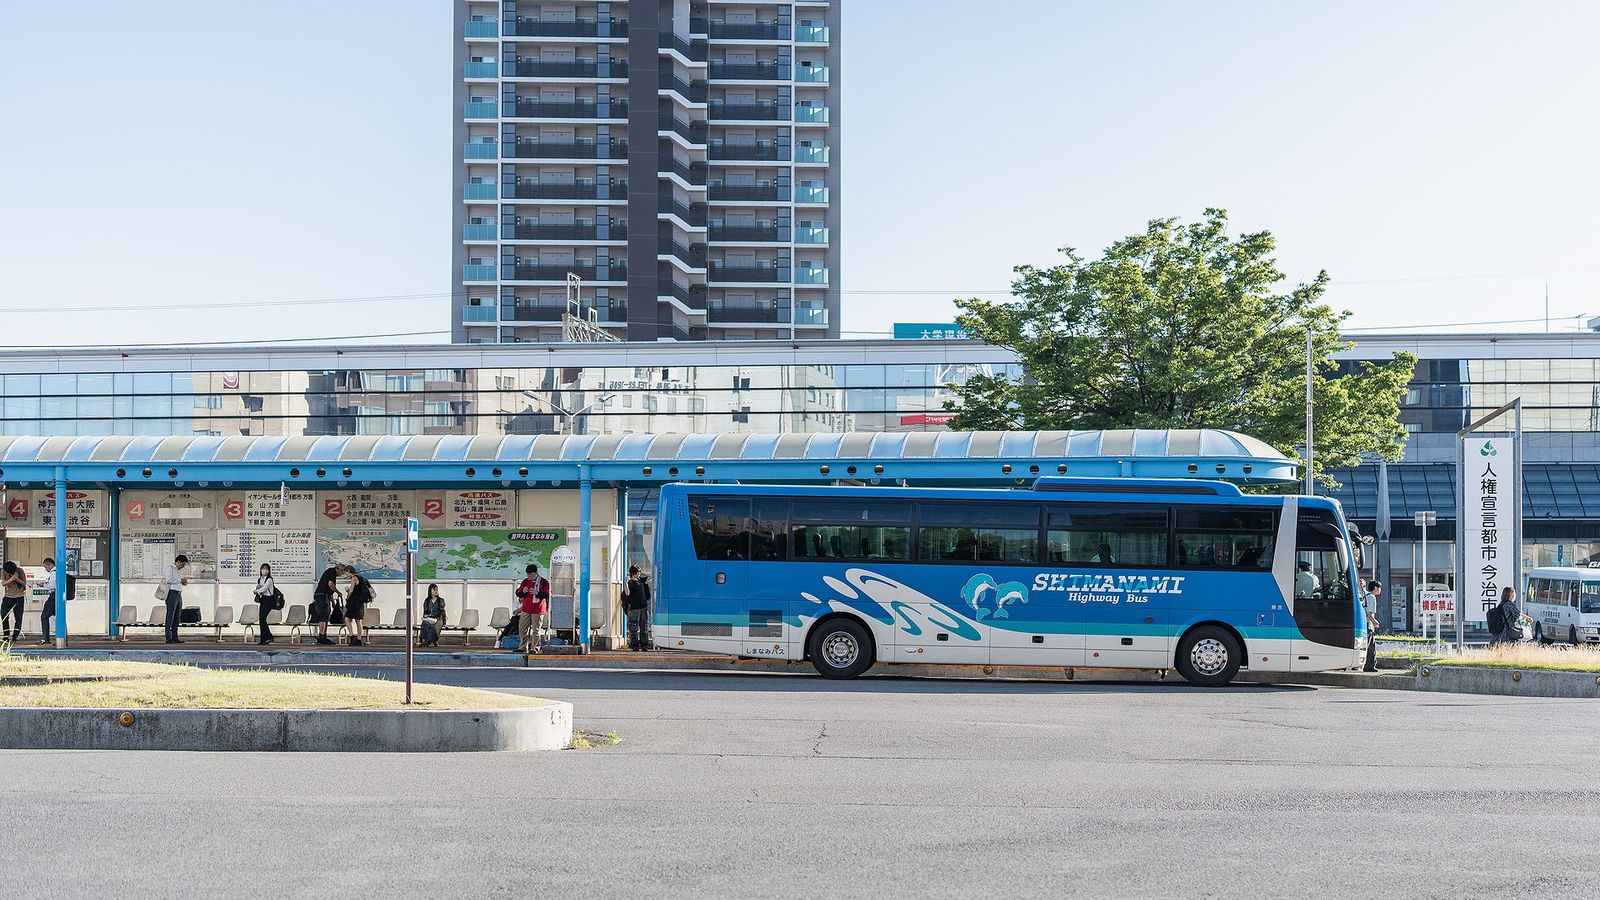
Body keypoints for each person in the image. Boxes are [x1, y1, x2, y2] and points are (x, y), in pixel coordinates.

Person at [37, 557, 77, 646]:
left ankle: (46, 638)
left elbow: (52, 585)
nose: (46, 569)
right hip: (59, 596)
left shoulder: (54, 573)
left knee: (44, 616)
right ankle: (64, 639)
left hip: (54, 596)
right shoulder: (59, 571)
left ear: (49, 565)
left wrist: (43, 585)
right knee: (60, 617)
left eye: (45, 567)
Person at [515, 563, 550, 653]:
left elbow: (547, 595)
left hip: (538, 609)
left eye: (531, 574)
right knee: (522, 628)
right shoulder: (525, 582)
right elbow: (518, 594)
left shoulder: (544, 582)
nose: (529, 576)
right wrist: (523, 591)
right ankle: (523, 647)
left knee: (536, 630)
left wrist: (537, 593)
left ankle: (535, 647)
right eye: (528, 574)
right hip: (526, 609)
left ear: (535, 573)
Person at [339, 564, 374, 647]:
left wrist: (347, 595)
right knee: (358, 621)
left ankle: (352, 636)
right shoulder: (362, 578)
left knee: (347, 618)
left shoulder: (354, 578)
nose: (346, 575)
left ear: (349, 571)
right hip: (361, 602)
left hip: (354, 602)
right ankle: (358, 638)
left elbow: (351, 591)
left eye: (345, 573)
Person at [622, 565, 652, 651]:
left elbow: (650, 576)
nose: (638, 574)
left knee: (644, 627)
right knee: (633, 627)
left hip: (643, 607)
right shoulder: (630, 582)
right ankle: (635, 646)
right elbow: (627, 593)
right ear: (633, 573)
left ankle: (644, 645)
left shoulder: (641, 580)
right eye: (637, 573)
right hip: (634, 608)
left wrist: (641, 571)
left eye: (638, 572)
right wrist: (626, 582)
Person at [161, 555, 190, 644]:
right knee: (170, 616)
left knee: (177, 617)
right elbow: (169, 579)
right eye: (183, 564)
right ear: (178, 562)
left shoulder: (177, 570)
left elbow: (176, 581)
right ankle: (169, 638)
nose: (183, 566)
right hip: (171, 594)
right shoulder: (169, 568)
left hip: (178, 594)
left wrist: (182, 582)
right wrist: (180, 580)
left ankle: (175, 637)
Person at [310, 567, 339, 645]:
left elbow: (329, 591)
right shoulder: (332, 571)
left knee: (325, 615)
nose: (341, 574)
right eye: (342, 572)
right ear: (339, 569)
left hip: (323, 596)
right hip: (322, 596)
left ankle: (323, 636)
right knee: (323, 616)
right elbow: (330, 585)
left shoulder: (329, 572)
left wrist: (333, 602)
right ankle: (322, 637)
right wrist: (338, 592)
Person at [1, 561, 26, 644]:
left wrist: (17, 578)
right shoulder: (4, 571)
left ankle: (15, 637)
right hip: (7, 597)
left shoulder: (20, 571)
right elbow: (3, 584)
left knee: (18, 618)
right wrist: (12, 579)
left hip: (19, 597)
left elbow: (24, 584)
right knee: (4, 616)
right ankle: (6, 636)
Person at [252, 563, 277, 645]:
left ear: (269, 571)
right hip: (263, 600)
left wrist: (257, 591)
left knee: (262, 619)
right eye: (263, 569)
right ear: (260, 570)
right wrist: (258, 588)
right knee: (261, 619)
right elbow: (260, 587)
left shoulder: (269, 580)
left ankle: (269, 637)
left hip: (269, 600)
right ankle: (264, 639)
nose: (264, 571)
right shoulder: (260, 579)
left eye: (266, 569)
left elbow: (264, 589)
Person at [1361, 580, 1383, 672]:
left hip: (1363, 623)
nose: (1380, 590)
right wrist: (1375, 622)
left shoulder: (1365, 596)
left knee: (1368, 645)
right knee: (1370, 646)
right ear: (1375, 588)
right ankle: (1369, 665)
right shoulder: (1372, 597)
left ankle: (1368, 664)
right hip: (1368, 625)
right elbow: (1370, 613)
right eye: (1379, 588)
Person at [420, 584, 447, 648]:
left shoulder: (441, 600)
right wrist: (426, 616)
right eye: (434, 590)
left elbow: (442, 612)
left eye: (437, 590)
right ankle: (432, 640)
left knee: (433, 626)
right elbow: (425, 612)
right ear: (430, 591)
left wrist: (444, 622)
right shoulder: (427, 601)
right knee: (424, 623)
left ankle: (427, 642)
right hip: (430, 619)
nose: (436, 591)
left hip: (438, 619)